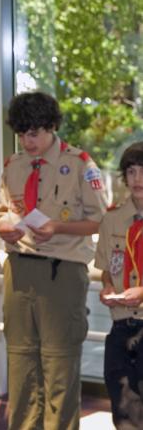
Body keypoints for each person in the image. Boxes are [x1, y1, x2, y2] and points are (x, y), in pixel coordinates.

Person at [0, 92, 108, 430]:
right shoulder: (13, 166)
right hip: (19, 270)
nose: (27, 141)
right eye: (21, 133)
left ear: (52, 127)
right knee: (20, 364)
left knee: (59, 367)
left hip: (62, 272)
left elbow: (102, 220)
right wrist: (4, 226)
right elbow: (4, 211)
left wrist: (58, 226)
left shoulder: (80, 165)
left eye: (34, 133)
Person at [96, 142, 143, 429]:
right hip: (122, 326)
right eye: (132, 171)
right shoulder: (113, 219)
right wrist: (106, 289)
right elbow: (106, 270)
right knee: (124, 409)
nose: (138, 179)